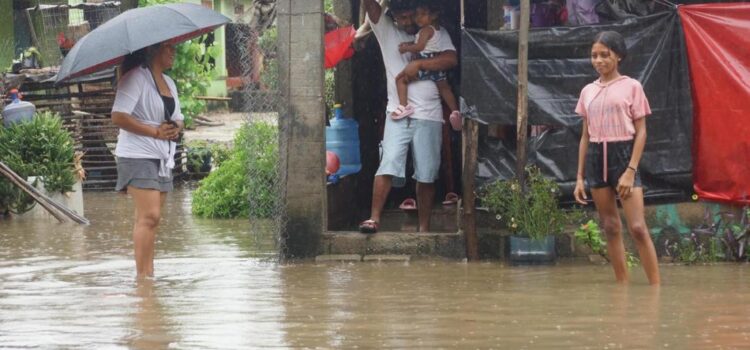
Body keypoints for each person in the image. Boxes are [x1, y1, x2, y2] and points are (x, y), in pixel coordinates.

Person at [358, 0, 458, 234]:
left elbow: (451, 59)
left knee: (426, 173)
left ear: (420, 15)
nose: (407, 22)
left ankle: (424, 228)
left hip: (430, 115)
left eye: (411, 16)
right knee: (388, 164)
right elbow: (372, 9)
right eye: (401, 18)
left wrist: (420, 64)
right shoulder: (387, 32)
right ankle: (374, 219)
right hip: (397, 113)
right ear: (392, 17)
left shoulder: (434, 34)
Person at [573, 31, 660, 285]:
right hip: (597, 158)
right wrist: (579, 177)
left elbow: (642, 131)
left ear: (618, 56)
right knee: (610, 226)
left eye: (604, 55)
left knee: (637, 228)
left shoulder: (632, 86)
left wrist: (631, 169)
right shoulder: (587, 91)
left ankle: (656, 289)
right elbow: (585, 136)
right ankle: (622, 287)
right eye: (594, 56)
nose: (598, 60)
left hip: (624, 156)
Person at [111, 42, 183, 279]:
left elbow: (178, 117)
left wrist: (175, 128)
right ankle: (143, 279)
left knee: (150, 220)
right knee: (150, 216)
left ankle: (148, 274)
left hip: (163, 156)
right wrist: (154, 132)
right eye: (169, 48)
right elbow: (119, 116)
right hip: (137, 154)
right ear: (154, 51)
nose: (174, 53)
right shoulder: (135, 78)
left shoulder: (169, 82)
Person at [392, 1, 461, 131]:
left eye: (422, 14)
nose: (418, 18)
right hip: (436, 64)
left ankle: (403, 106)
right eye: (417, 14)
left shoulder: (426, 30)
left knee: (401, 80)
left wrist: (407, 48)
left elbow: (420, 46)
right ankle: (455, 111)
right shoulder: (436, 30)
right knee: (445, 88)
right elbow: (421, 42)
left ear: (434, 15)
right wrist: (410, 43)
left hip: (424, 63)